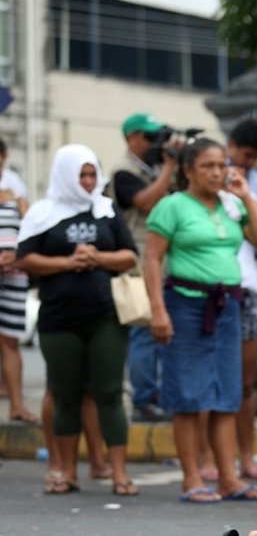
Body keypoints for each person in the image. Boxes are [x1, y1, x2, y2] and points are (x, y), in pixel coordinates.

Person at [143, 138, 257, 503]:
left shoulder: (231, 205)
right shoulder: (172, 206)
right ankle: (192, 479)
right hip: (185, 307)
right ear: (188, 170)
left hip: (227, 308)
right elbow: (152, 260)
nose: (217, 173)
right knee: (188, 396)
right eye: (208, 166)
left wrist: (246, 195)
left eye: (221, 165)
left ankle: (229, 478)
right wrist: (157, 309)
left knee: (226, 395)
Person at [17, 144, 140, 496]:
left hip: (104, 315)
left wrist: (98, 257)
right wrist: (68, 263)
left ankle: (119, 474)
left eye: (92, 174)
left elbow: (129, 255)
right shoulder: (43, 212)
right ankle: (67, 472)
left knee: (109, 394)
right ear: (65, 175)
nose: (88, 181)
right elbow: (25, 259)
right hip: (58, 318)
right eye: (82, 175)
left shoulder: (106, 209)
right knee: (65, 395)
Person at [108, 112, 177, 423]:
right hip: (137, 262)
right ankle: (143, 399)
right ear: (131, 137)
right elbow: (146, 201)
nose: (153, 144)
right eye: (149, 138)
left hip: (164, 262)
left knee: (162, 334)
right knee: (145, 332)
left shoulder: (155, 169)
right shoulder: (124, 172)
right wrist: (170, 167)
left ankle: (159, 394)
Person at [226, 118, 257, 481]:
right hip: (206, 295)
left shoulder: (251, 186)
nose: (226, 171)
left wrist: (244, 194)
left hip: (247, 290)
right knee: (212, 386)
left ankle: (245, 458)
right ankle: (211, 462)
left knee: (245, 385)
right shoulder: (186, 199)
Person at [0, 137, 35, 424]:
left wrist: (17, 255)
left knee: (9, 341)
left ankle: (17, 404)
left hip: (13, 278)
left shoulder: (16, 196)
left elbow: (31, 232)